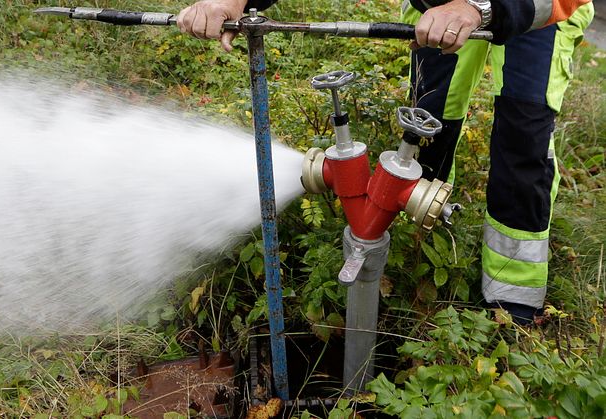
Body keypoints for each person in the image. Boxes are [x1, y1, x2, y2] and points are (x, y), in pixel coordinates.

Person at [177, 0, 594, 324]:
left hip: (540, 15)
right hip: (440, 10)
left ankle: (512, 306)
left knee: (523, 142)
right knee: (430, 122)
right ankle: (416, 258)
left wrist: (478, 9)